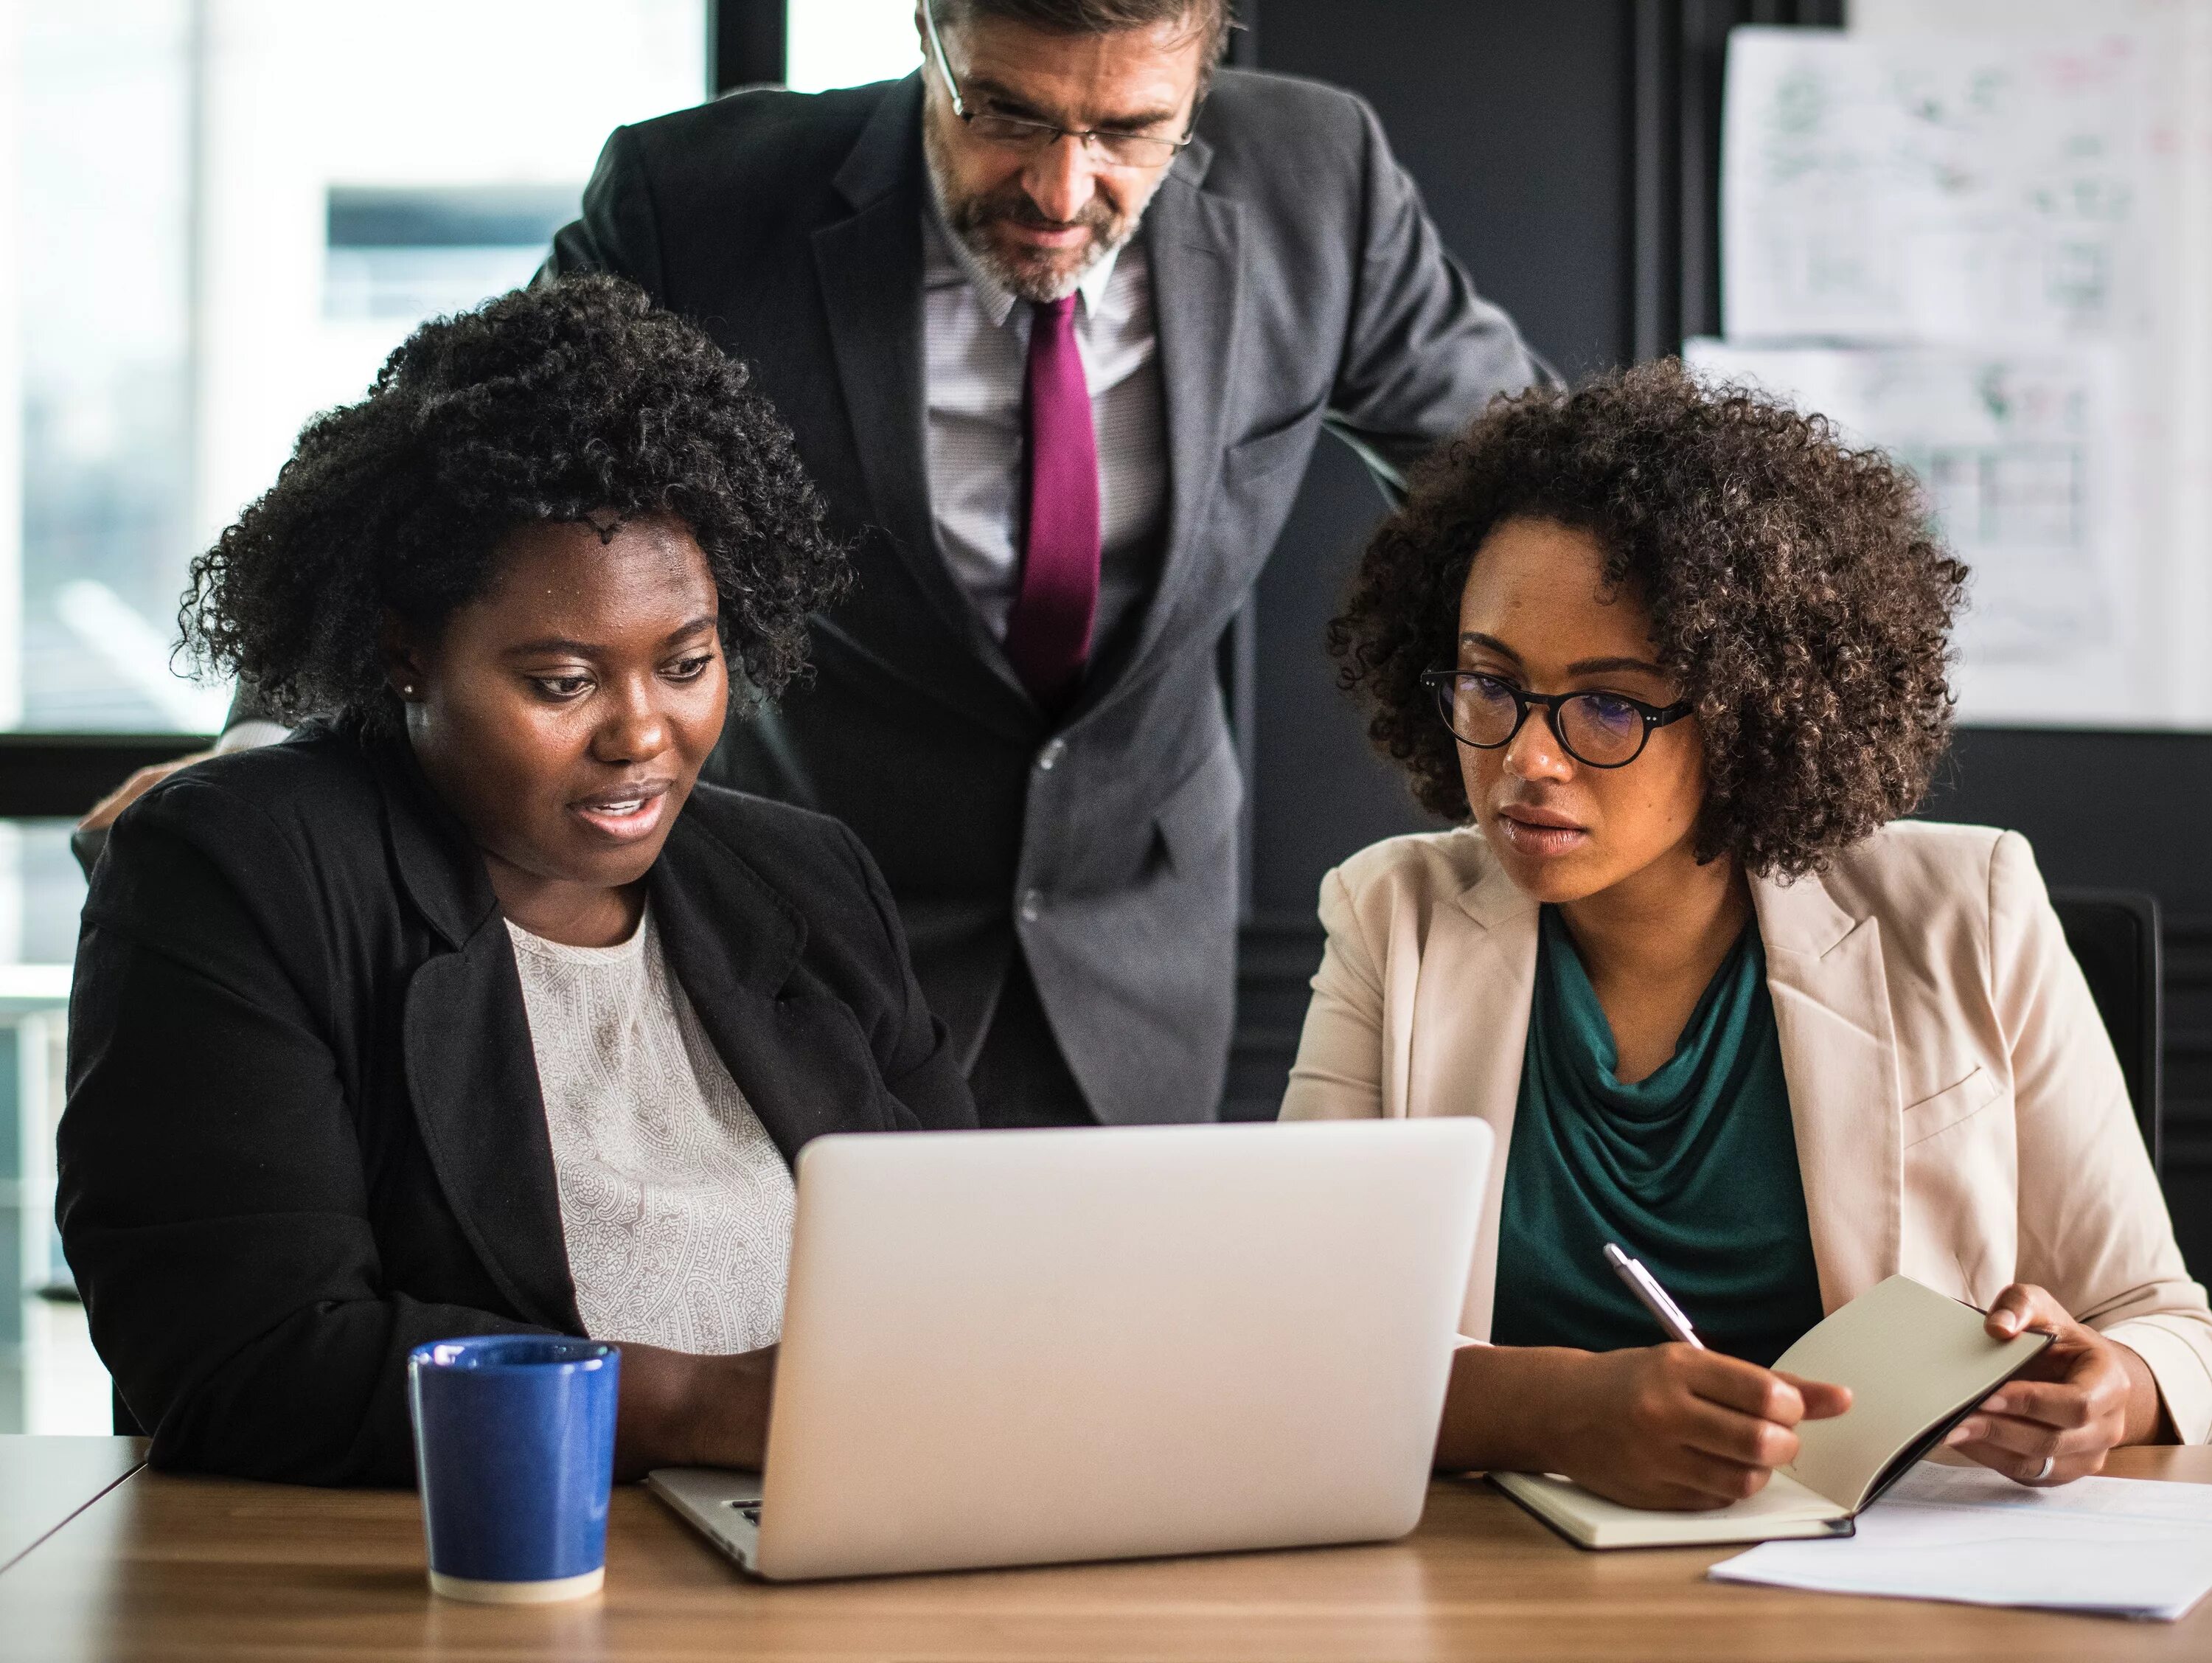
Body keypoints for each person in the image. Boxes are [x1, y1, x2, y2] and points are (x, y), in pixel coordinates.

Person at [111, 0, 1543, 1128]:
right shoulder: (701, 199)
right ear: (927, 29)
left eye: (1128, 131)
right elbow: (452, 462)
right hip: (794, 944)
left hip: (1139, 948)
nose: (1060, 188)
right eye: (1006, 114)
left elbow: (1532, 480)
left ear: (1202, 82)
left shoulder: (1321, 182)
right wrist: (268, 737)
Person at [58, 277, 976, 1487]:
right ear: (406, 653)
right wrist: (693, 1404)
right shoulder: (240, 869)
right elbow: (245, 1359)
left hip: (829, 1544)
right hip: (453, 1578)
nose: (642, 734)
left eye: (687, 663)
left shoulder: (805, 880)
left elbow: (972, 1276)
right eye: (561, 683)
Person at [1283, 361, 2212, 1510]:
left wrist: (2106, 1392)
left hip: (1890, 1587)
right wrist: (1558, 1409)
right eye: (1490, 685)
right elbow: (1299, 1351)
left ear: (1746, 711)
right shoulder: (1392, 917)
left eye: (1610, 704)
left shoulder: (1968, 908)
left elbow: (2165, 1323)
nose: (1528, 756)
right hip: (1504, 1586)